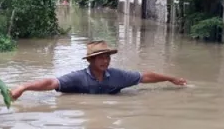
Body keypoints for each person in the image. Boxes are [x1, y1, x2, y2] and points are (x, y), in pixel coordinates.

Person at [10, 40, 187, 100]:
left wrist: (170, 78)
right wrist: (24, 87)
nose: (106, 61)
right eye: (101, 57)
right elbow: (52, 82)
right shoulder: (78, 78)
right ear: (91, 60)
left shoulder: (118, 76)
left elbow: (144, 77)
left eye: (107, 57)